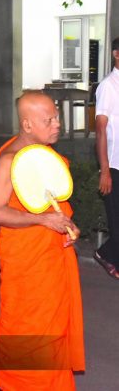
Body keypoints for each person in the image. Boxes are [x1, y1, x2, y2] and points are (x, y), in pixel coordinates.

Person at [0, 90, 84, 389]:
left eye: (57, 117)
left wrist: (67, 226)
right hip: (26, 259)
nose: (57, 124)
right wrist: (42, 220)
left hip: (52, 254)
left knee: (53, 328)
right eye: (48, 120)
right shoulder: (10, 160)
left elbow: (56, 206)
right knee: (29, 328)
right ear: (27, 125)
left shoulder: (46, 156)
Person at [94, 37, 119, 279]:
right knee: (117, 223)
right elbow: (100, 130)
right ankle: (105, 254)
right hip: (114, 165)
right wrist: (104, 170)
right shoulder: (108, 86)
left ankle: (108, 253)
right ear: (116, 54)